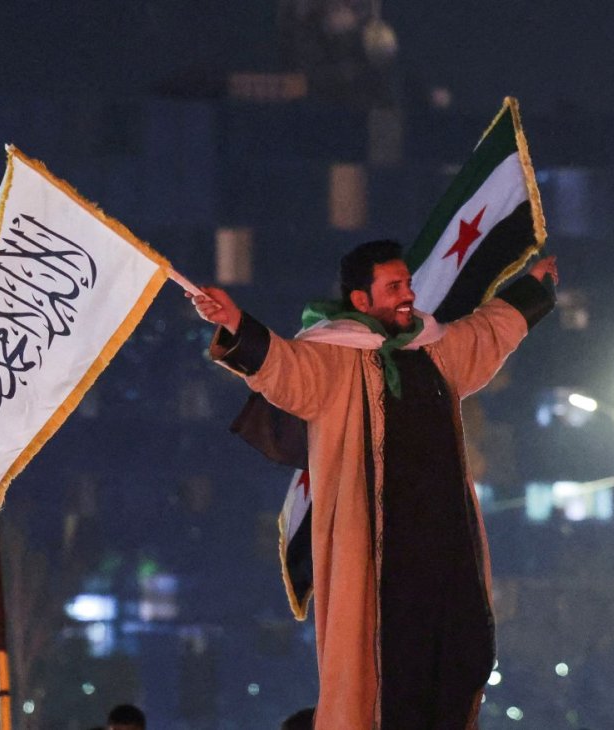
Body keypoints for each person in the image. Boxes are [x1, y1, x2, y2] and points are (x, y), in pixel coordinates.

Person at [190, 240, 557, 728]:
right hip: (378, 557)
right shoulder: (333, 358)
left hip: (447, 554)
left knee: (462, 658)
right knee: (379, 674)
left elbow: (487, 332)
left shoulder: (436, 349)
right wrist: (236, 323)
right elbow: (283, 367)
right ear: (361, 301)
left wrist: (532, 289)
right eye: (394, 287)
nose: (408, 294)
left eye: (407, 283)